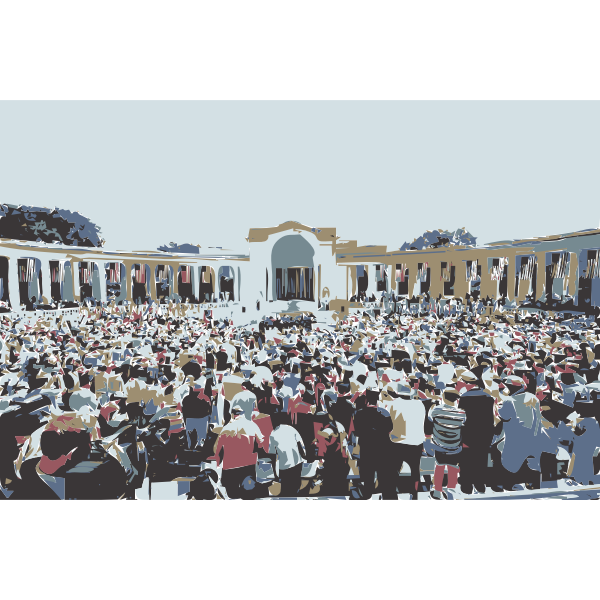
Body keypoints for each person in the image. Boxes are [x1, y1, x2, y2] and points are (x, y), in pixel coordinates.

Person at [213, 392, 265, 499]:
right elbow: (261, 444)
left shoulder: (226, 429)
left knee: (232, 496)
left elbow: (216, 449)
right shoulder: (252, 426)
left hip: (229, 469)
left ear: (233, 415)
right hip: (248, 467)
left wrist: (218, 462)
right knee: (248, 495)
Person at [496, 375, 543, 491]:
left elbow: (502, 416)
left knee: (507, 464)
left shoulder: (509, 401)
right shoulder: (533, 397)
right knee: (532, 470)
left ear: (510, 387)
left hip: (516, 444)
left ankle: (510, 486)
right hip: (534, 441)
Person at [383, 382, 425, 500]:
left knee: (394, 470)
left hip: (398, 442)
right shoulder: (420, 404)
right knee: (415, 472)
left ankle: (392, 495)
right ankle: (414, 495)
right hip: (416, 442)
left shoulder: (392, 405)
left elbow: (388, 424)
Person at [354, 386, 394, 499]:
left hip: (366, 450)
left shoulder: (359, 413)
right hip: (383, 449)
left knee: (368, 479)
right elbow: (390, 429)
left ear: (366, 398)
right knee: (383, 478)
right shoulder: (385, 413)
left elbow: (356, 432)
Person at [428, 388, 466, 499]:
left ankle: (437, 491)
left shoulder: (436, 410)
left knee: (439, 467)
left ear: (443, 397)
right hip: (455, 446)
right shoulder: (462, 414)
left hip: (439, 445)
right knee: (453, 467)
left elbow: (430, 421)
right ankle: (451, 490)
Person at [269, 411, 305, 497]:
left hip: (284, 466)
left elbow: (273, 456)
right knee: (295, 489)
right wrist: (304, 456)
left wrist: (275, 474)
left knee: (286, 491)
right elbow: (302, 446)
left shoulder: (272, 435)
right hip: (298, 463)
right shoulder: (291, 429)